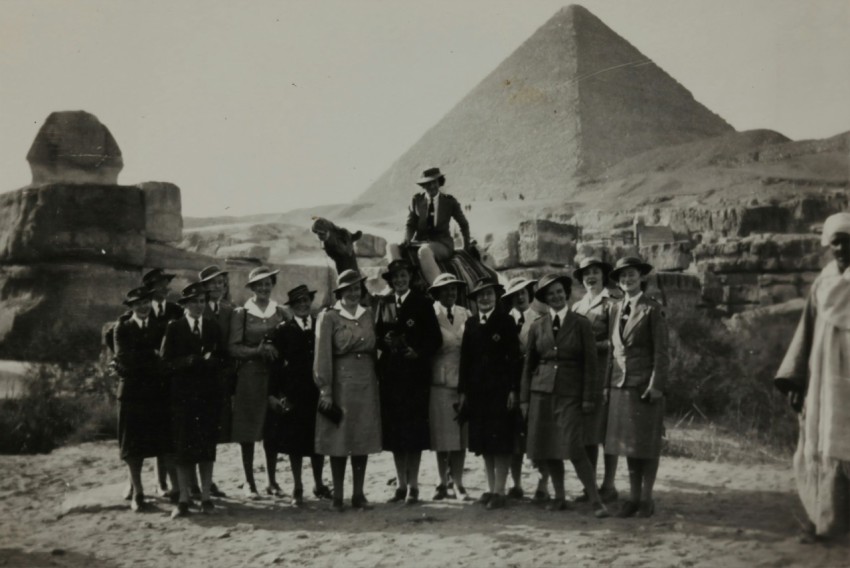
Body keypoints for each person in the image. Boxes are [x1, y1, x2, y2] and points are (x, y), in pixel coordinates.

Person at [775, 212, 850, 543]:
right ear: (828, 247)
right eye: (836, 243)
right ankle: (828, 522)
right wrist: (797, 381)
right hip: (823, 378)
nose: (843, 249)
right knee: (822, 444)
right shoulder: (824, 282)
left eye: (848, 242)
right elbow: (805, 331)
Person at [521, 274, 609, 517]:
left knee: (574, 446)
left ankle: (595, 500)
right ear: (545, 299)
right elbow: (529, 364)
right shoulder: (538, 325)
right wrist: (524, 399)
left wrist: (588, 397)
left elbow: (591, 363)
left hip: (571, 393)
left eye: (560, 292)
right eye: (551, 294)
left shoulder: (581, 323)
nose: (556, 297)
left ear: (567, 293)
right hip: (542, 392)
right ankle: (559, 496)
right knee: (548, 446)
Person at [605, 256, 668, 519]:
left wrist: (656, 386)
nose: (626, 280)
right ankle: (632, 497)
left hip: (644, 387)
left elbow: (661, 353)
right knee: (629, 446)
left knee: (647, 444)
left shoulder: (652, 309)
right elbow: (612, 351)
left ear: (641, 277)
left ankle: (646, 498)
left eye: (631, 275)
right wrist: (607, 385)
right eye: (622, 277)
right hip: (621, 386)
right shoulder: (615, 308)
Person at [314, 269, 382, 511]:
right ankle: (338, 496)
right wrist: (326, 389)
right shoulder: (329, 317)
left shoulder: (369, 314)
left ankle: (358, 494)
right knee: (339, 440)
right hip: (341, 384)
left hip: (366, 383)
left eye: (357, 288)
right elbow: (322, 355)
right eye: (349, 289)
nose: (354, 293)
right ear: (340, 292)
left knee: (362, 438)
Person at [375, 259, 442, 504]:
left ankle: (414, 485)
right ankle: (400, 485)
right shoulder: (384, 303)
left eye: (403, 276)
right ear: (391, 281)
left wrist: (418, 352)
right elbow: (377, 336)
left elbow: (435, 340)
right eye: (396, 277)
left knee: (413, 433)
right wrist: (387, 341)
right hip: (392, 377)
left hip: (414, 378)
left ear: (409, 278)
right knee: (395, 434)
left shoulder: (423, 303)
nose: (400, 281)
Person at [160, 282, 225, 518]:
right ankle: (185, 499)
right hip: (183, 398)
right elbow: (165, 363)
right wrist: (188, 361)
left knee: (207, 448)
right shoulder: (174, 328)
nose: (198, 306)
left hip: (207, 397)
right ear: (185, 305)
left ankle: (206, 497)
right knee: (183, 448)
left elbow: (224, 360)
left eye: (202, 301)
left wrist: (212, 363)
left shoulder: (213, 327)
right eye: (194, 302)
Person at [265, 284, 332, 506]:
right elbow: (275, 366)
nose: (303, 305)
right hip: (294, 392)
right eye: (298, 302)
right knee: (294, 443)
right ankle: (297, 486)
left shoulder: (321, 326)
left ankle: (319, 483)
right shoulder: (283, 330)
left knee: (318, 440)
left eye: (306, 301)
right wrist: (274, 394)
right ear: (292, 307)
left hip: (316, 390)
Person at [458, 277, 522, 510]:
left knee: (501, 440)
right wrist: (463, 391)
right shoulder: (472, 323)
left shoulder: (505, 322)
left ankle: (500, 490)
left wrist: (513, 389)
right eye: (480, 295)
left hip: (500, 391)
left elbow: (514, 359)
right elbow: (465, 360)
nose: (485, 298)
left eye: (489, 294)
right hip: (477, 392)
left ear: (496, 296)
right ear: (475, 300)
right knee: (484, 442)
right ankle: (489, 487)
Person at [228, 267, 287, 498]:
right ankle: (249, 482)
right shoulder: (241, 313)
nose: (264, 288)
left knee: (272, 429)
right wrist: (256, 351)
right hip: (250, 377)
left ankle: (272, 481)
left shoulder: (280, 312)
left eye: (267, 283)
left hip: (274, 376)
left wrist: (277, 350)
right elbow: (232, 347)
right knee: (248, 430)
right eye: (259, 284)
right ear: (252, 288)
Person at [113, 286, 171, 512]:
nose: (143, 306)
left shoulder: (160, 327)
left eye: (146, 302)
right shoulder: (122, 328)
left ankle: (162, 485)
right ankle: (138, 492)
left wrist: (145, 357)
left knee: (159, 441)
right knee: (132, 445)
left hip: (156, 393)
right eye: (138, 303)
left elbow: (165, 359)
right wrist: (151, 355)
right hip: (132, 393)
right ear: (131, 307)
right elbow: (124, 360)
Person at [571, 257, 619, 504]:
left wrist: (590, 347)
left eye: (595, 272)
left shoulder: (611, 304)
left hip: (603, 374)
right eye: (586, 273)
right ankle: (589, 486)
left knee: (607, 433)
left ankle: (608, 485)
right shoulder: (578, 307)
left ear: (603, 276)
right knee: (588, 433)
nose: (591, 277)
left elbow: (616, 343)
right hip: (582, 378)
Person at [428, 273, 472, 501]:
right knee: (441, 434)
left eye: (453, 289)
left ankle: (458, 482)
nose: (450, 293)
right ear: (436, 293)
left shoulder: (466, 314)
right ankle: (440, 481)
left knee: (459, 436)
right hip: (439, 381)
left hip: (462, 382)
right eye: (445, 290)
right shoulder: (430, 315)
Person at [387, 167, 472, 285]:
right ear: (423, 186)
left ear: (439, 182)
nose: (431, 187)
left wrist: (466, 246)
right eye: (427, 184)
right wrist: (406, 238)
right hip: (418, 242)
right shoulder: (417, 200)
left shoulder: (449, 202)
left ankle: (438, 289)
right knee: (391, 247)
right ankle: (398, 284)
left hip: (442, 244)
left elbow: (464, 224)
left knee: (425, 251)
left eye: (434, 182)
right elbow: (410, 224)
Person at [142, 268, 183, 499]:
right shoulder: (142, 309)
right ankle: (160, 482)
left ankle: (176, 481)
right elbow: (117, 334)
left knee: (171, 430)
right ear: (150, 287)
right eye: (161, 284)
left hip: (172, 378)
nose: (166, 288)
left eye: (167, 283)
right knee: (157, 430)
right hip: (150, 380)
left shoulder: (176, 310)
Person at [501, 277, 541, 501]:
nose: (520, 296)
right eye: (515, 293)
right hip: (511, 385)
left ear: (529, 293)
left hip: (534, 383)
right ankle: (515, 484)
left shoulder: (539, 319)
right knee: (513, 437)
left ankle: (542, 485)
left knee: (536, 435)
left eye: (523, 291)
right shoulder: (505, 321)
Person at [199, 265, 233, 498]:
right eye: (213, 283)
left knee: (213, 431)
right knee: (198, 430)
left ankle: (207, 482)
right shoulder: (197, 309)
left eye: (221, 282)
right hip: (200, 377)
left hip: (222, 377)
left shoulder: (228, 309)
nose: (218, 287)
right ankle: (196, 483)